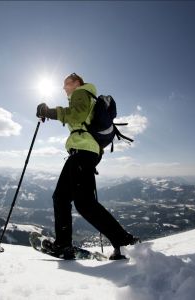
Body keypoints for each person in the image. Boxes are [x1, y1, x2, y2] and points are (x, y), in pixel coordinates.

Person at [36, 73, 140, 260]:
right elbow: (79, 118)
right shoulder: (85, 96)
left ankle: (123, 240)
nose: (64, 87)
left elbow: (77, 115)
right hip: (83, 152)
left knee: (83, 203)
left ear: (77, 82)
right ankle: (64, 245)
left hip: (83, 152)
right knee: (61, 197)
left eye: (67, 83)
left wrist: (48, 112)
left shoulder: (81, 93)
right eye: (64, 85)